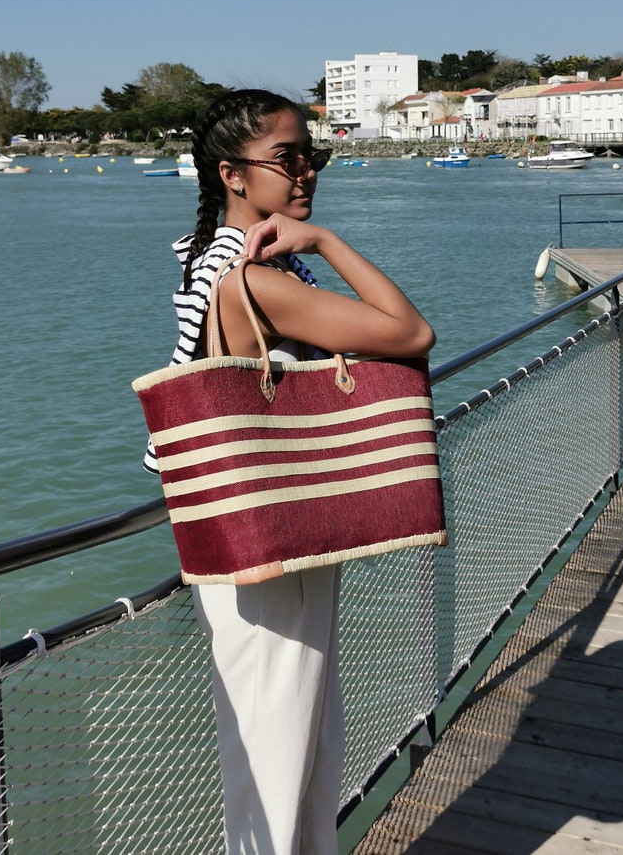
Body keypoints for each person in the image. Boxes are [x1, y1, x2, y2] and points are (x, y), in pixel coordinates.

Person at [150, 89, 435, 855]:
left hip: (240, 524)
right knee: (283, 755)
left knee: (290, 744)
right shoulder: (261, 276)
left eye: (313, 156)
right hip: (274, 537)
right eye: (287, 158)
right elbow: (410, 333)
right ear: (231, 175)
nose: (305, 172)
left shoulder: (210, 259)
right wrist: (328, 241)